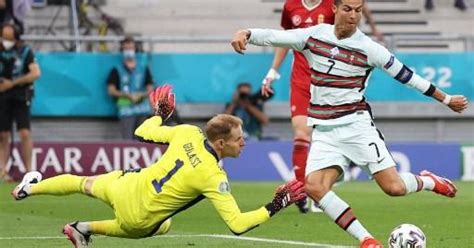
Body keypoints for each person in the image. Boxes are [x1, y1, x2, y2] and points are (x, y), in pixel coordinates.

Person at [231, 0, 469, 247]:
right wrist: (246, 33)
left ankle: (429, 180)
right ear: (334, 9)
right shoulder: (314, 36)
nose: (354, 15)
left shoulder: (369, 48)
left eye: (358, 10)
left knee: (394, 188)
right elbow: (275, 37)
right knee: (315, 187)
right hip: (324, 130)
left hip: (356, 127)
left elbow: (408, 76)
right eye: (348, 9)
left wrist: (447, 98)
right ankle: (366, 239)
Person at [11, 85, 305, 248]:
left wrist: (160, 114)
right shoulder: (214, 176)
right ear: (219, 144)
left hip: (125, 185)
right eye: (238, 139)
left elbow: (142, 131)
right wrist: (275, 205)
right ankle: (82, 228)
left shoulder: (187, 132)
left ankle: (29, 188)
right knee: (159, 225)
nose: (243, 143)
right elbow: (238, 225)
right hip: (138, 217)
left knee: (80, 182)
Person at [261, 0, 382, 213]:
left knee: (328, 134)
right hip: (301, 79)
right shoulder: (291, 6)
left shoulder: (333, 5)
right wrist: (272, 72)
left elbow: (349, 33)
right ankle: (300, 192)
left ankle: (334, 173)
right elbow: (284, 39)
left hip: (330, 81)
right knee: (300, 132)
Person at [0, 23, 40, 181]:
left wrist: (13, 83)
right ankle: (2, 171)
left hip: (21, 95)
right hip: (2, 96)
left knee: (24, 132)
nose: (5, 41)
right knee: (3, 134)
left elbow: (35, 73)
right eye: (4, 37)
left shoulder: (25, 51)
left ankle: (29, 170)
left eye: (9, 38)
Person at [107, 36, 154, 139]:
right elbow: (111, 91)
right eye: (126, 49)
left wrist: (141, 94)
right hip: (126, 110)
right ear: (122, 50)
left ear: (135, 50)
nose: (129, 51)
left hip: (142, 109)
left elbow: (150, 89)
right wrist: (126, 95)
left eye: (131, 48)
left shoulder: (143, 68)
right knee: (127, 140)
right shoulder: (116, 70)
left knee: (143, 139)